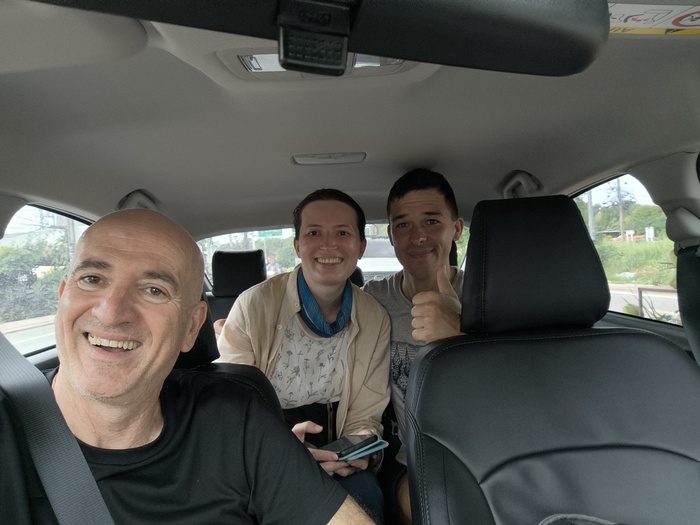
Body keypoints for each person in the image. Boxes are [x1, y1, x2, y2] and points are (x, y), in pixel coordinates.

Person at [2, 208, 375, 524]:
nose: (111, 312)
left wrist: (360, 441)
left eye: (154, 290)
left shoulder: (236, 419)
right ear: (63, 295)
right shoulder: (9, 440)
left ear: (192, 327)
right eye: (92, 279)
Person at [217, 189, 391, 524]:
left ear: (361, 246)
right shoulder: (254, 306)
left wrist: (359, 448)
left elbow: (366, 412)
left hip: (338, 451)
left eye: (343, 233)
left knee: (366, 495)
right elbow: (235, 410)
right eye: (314, 233)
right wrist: (291, 453)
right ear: (298, 245)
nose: (329, 245)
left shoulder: (374, 317)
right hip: (265, 447)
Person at [363, 169, 465, 524]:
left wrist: (459, 337)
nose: (418, 236)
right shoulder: (373, 299)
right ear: (391, 235)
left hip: (487, 445)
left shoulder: (489, 298)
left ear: (457, 228)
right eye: (403, 225)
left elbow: (518, 390)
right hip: (416, 459)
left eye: (432, 221)